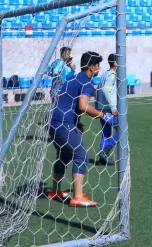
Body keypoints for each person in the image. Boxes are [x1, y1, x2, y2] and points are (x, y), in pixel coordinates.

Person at [48, 51, 118, 207]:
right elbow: (83, 106)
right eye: (98, 65)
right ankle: (78, 197)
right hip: (63, 122)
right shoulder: (86, 82)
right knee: (81, 155)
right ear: (92, 67)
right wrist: (103, 115)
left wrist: (76, 121)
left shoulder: (73, 78)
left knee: (64, 155)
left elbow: (68, 101)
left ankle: (55, 191)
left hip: (54, 121)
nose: (100, 67)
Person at [95, 53, 119, 166]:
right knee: (122, 130)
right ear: (115, 63)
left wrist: (97, 107)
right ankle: (105, 151)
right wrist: (113, 107)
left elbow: (98, 90)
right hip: (109, 110)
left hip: (102, 109)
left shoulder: (104, 74)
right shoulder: (112, 75)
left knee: (106, 133)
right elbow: (105, 90)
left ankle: (102, 159)